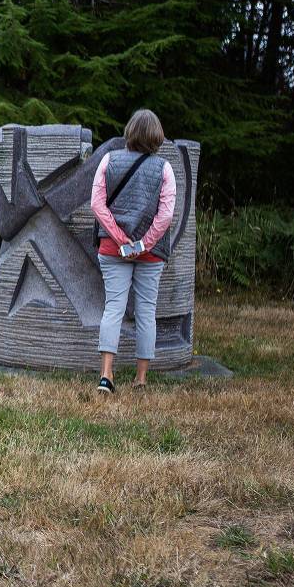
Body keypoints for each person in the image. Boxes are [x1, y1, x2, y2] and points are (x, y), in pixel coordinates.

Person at [90, 109, 177, 394]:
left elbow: (97, 205)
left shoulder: (108, 160)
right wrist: (142, 244)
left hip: (113, 249)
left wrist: (121, 239)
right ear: (156, 136)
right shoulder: (165, 169)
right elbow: (165, 217)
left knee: (113, 308)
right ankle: (140, 380)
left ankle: (106, 376)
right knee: (146, 312)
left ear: (130, 131)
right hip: (150, 254)